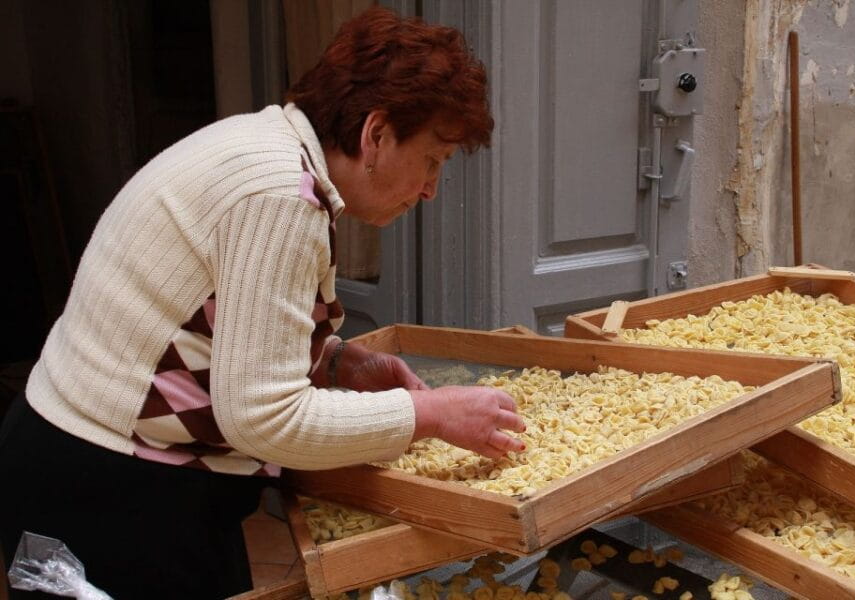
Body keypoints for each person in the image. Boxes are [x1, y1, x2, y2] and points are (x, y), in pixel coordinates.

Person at [0, 7, 525, 599]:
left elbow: (222, 322)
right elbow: (262, 418)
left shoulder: (271, 148)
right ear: (376, 134)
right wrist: (430, 415)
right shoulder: (279, 196)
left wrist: (338, 363)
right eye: (433, 159)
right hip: (106, 484)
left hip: (99, 459)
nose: (430, 188)